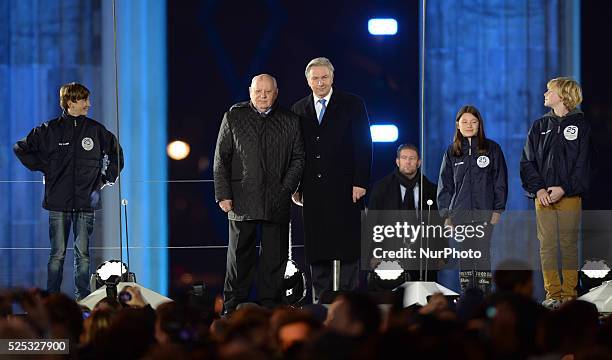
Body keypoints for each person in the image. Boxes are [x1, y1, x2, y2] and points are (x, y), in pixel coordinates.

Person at [13, 82, 123, 300]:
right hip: (58, 203)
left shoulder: (96, 130)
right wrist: (45, 167)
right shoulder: (48, 130)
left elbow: (116, 153)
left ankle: (83, 299)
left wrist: (106, 178)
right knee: (57, 254)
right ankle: (52, 299)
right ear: (70, 102)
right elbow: (20, 148)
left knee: (83, 256)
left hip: (86, 202)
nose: (88, 104)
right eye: (84, 100)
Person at [214, 74, 305, 314]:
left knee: (275, 257)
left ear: (276, 92)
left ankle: (270, 306)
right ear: (250, 91)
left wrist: (286, 189)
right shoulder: (233, 117)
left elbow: (298, 158)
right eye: (258, 91)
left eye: (267, 92)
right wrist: (223, 194)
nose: (263, 96)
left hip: (277, 199)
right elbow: (221, 159)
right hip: (240, 198)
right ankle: (233, 307)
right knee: (238, 257)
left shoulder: (290, 120)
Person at [291, 57, 372, 303]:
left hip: (347, 187)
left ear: (332, 78)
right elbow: (295, 151)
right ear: (308, 81)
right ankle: (321, 302)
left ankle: (347, 302)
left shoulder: (352, 104)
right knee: (317, 249)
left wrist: (360, 181)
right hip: (313, 190)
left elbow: (363, 144)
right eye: (315, 78)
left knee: (348, 247)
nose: (320, 82)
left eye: (324, 77)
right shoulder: (299, 108)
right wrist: (296, 187)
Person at [520, 77, 589, 310]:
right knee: (547, 245)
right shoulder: (540, 125)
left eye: (550, 90)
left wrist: (565, 188)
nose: (545, 93)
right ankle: (553, 294)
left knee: (568, 245)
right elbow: (527, 161)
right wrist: (538, 188)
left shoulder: (581, 124)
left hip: (568, 196)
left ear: (563, 94)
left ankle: (569, 296)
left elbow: (584, 163)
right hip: (544, 197)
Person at [437, 105, 508, 294]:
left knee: (482, 253)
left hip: (485, 213)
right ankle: (468, 295)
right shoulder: (452, 152)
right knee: (466, 255)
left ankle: (484, 294)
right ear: (458, 125)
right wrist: (446, 215)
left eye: (473, 122)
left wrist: (497, 210)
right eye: (465, 122)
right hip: (460, 215)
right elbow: (445, 186)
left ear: (480, 125)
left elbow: (500, 181)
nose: (469, 125)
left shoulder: (492, 149)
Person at [368, 143, 442, 288]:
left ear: (419, 162)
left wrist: (441, 254)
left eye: (412, 158)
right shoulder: (381, 188)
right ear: (397, 161)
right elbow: (372, 223)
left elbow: (437, 225)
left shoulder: (431, 190)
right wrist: (373, 253)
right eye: (404, 158)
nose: (408, 162)